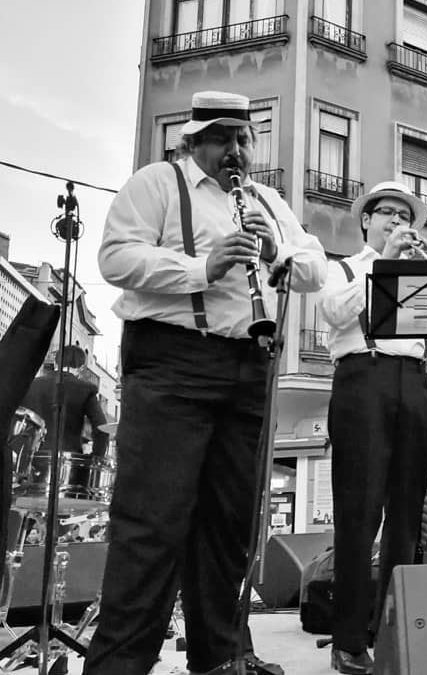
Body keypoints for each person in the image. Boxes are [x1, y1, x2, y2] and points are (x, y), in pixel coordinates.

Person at [89, 90, 326, 675]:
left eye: (243, 138)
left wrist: (279, 256)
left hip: (248, 367)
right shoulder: (156, 184)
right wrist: (204, 266)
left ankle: (221, 657)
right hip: (171, 362)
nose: (236, 151)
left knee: (229, 524)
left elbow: (316, 267)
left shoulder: (267, 199)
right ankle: (119, 665)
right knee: (153, 523)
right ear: (191, 141)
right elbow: (116, 258)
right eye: (222, 138)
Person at [317, 181, 427, 674]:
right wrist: (384, 263)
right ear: (366, 220)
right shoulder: (343, 266)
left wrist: (423, 276)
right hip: (362, 378)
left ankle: (391, 628)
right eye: (386, 212)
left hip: (414, 382)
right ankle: (347, 638)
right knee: (359, 513)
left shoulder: (414, 275)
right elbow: (335, 311)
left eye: (403, 215)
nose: (396, 221)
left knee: (407, 520)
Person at [21, 346, 109, 458]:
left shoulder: (32, 385)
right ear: (81, 368)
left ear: (55, 363)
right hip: (70, 460)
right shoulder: (86, 390)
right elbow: (101, 427)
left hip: (33, 457)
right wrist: (95, 456)